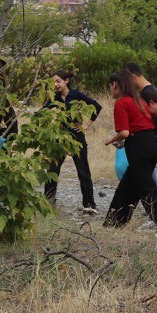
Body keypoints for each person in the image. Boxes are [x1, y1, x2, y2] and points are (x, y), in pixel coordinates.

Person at [102, 70, 157, 229]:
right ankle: (114, 222)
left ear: (115, 85)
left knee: (146, 188)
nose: (110, 90)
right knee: (128, 186)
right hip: (151, 144)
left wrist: (111, 139)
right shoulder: (139, 100)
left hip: (138, 146)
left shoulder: (122, 103)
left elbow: (124, 132)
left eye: (110, 87)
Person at [42, 69, 102, 214]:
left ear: (66, 81)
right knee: (52, 170)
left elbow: (97, 106)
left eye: (58, 81)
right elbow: (42, 113)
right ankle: (48, 203)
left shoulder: (77, 95)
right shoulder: (53, 98)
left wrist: (86, 125)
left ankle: (89, 205)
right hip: (59, 138)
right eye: (53, 82)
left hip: (76, 137)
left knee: (83, 171)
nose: (55, 84)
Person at [125, 62, 157, 216]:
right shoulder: (151, 89)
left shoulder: (146, 94)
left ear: (132, 77)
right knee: (151, 176)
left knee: (152, 178)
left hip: (155, 136)